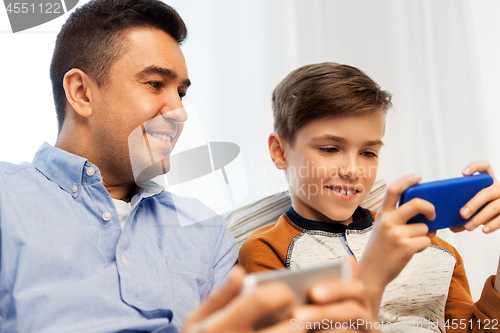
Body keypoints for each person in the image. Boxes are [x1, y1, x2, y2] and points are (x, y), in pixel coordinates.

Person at [0, 1, 382, 332]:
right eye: (154, 84)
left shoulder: (206, 231)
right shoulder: (8, 199)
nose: (180, 112)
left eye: (181, 92)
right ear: (82, 93)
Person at [239, 62, 500, 332]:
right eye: (330, 149)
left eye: (368, 153)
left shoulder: (436, 251)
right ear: (280, 152)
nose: (353, 171)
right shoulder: (266, 252)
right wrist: (373, 276)